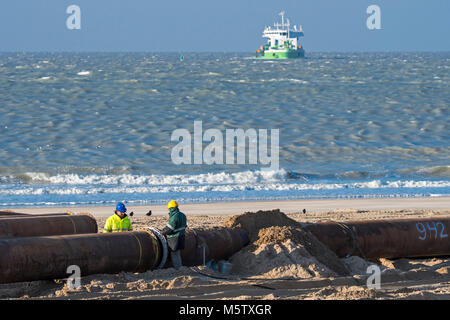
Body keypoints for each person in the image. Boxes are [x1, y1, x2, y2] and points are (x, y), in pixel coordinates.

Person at [161, 200, 187, 269]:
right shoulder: (182, 215)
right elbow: (185, 226)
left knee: (174, 254)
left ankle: (178, 268)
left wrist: (161, 233)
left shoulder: (174, 217)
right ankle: (179, 267)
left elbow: (169, 229)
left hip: (174, 239)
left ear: (171, 208)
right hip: (182, 237)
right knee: (177, 253)